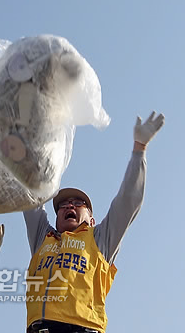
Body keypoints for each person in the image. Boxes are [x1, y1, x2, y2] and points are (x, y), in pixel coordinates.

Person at [23, 112, 165, 333]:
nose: (69, 206)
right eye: (63, 204)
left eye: (78, 203)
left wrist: (139, 149)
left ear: (91, 219)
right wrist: (26, 148)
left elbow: (128, 201)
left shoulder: (99, 239)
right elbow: (29, 196)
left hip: (85, 328)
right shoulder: (43, 237)